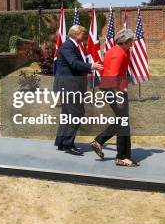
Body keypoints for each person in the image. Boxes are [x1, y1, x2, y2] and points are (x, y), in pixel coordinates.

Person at [90, 29, 138, 167]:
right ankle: (122, 157)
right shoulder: (118, 54)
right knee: (123, 122)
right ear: (124, 42)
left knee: (122, 121)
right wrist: (118, 94)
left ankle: (99, 141)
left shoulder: (115, 51)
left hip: (110, 88)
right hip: (114, 89)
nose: (132, 44)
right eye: (130, 42)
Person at [54, 25, 103, 155]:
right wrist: (91, 66)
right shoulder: (68, 46)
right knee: (76, 113)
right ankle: (68, 144)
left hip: (70, 86)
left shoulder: (72, 46)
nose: (85, 36)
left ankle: (62, 142)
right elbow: (74, 63)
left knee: (67, 114)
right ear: (75, 34)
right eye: (83, 33)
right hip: (68, 87)